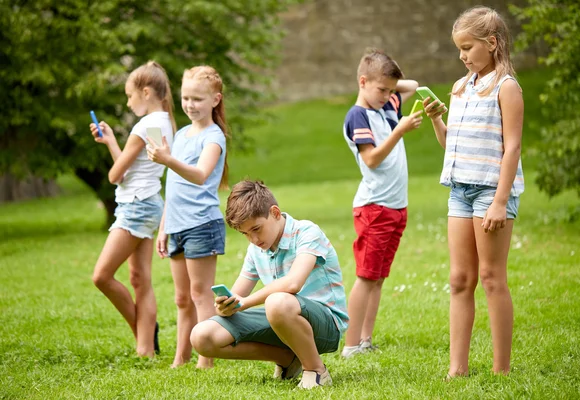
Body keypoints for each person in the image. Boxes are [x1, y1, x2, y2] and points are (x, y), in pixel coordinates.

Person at [423, 6, 524, 377]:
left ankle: (501, 370)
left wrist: (500, 201)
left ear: (492, 44)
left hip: (491, 193)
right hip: (459, 190)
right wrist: (437, 118)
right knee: (459, 279)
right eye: (459, 49)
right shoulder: (460, 87)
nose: (462, 55)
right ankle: (457, 369)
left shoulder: (506, 87)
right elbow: (452, 144)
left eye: (467, 47)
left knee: (492, 278)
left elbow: (512, 148)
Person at [188, 180, 349, 389]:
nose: (253, 239)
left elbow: (293, 283)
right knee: (202, 336)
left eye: (256, 229)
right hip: (281, 319)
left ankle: (316, 372)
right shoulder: (256, 249)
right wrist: (226, 306)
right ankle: (288, 360)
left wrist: (243, 303)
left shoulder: (307, 232)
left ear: (274, 212)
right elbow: (238, 294)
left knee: (277, 302)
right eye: (245, 233)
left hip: (326, 325)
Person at [89, 61, 176, 357]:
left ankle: (144, 335)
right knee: (140, 279)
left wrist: (115, 158)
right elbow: (128, 171)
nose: (128, 102)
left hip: (136, 206)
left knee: (101, 276)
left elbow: (115, 176)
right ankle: (145, 348)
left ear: (146, 92)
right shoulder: (164, 121)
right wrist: (112, 141)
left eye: (130, 95)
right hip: (148, 202)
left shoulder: (144, 126)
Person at [340, 48, 423, 358]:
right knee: (366, 276)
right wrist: (399, 130)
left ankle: (365, 340)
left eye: (390, 90)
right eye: (381, 89)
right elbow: (372, 159)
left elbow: (410, 85)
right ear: (362, 82)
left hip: (396, 206)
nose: (388, 95)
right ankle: (350, 344)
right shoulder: (358, 115)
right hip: (374, 206)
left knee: (379, 277)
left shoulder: (385, 105)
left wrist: (387, 84)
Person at [146, 65, 229, 369]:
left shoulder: (214, 137)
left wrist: (168, 159)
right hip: (177, 225)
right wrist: (164, 228)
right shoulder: (180, 135)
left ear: (215, 99)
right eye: (185, 98)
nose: (190, 105)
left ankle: (206, 359)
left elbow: (199, 175)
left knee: (200, 294)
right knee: (182, 298)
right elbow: (174, 187)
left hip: (202, 225)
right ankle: (180, 358)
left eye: (198, 99)